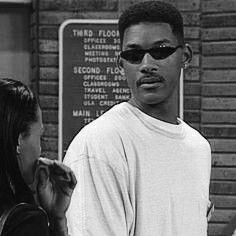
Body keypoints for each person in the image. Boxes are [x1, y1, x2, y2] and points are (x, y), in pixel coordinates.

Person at [63, 1, 212, 235]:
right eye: (134, 55)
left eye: (160, 51)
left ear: (185, 56)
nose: (147, 65)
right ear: (121, 64)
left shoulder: (198, 148)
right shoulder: (101, 144)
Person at [0, 78, 77, 236]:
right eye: (40, 137)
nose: (40, 149)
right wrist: (58, 222)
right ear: (20, 139)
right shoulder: (25, 222)